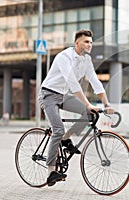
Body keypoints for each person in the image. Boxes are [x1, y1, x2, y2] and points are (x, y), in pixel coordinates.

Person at [38, 29, 114, 186]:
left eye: (91, 42)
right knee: (57, 129)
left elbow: (95, 81)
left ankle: (66, 139)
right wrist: (87, 103)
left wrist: (106, 104)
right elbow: (72, 82)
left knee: (89, 114)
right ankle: (51, 171)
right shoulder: (64, 57)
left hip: (64, 95)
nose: (89, 45)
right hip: (49, 95)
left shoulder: (86, 60)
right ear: (77, 43)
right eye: (86, 41)